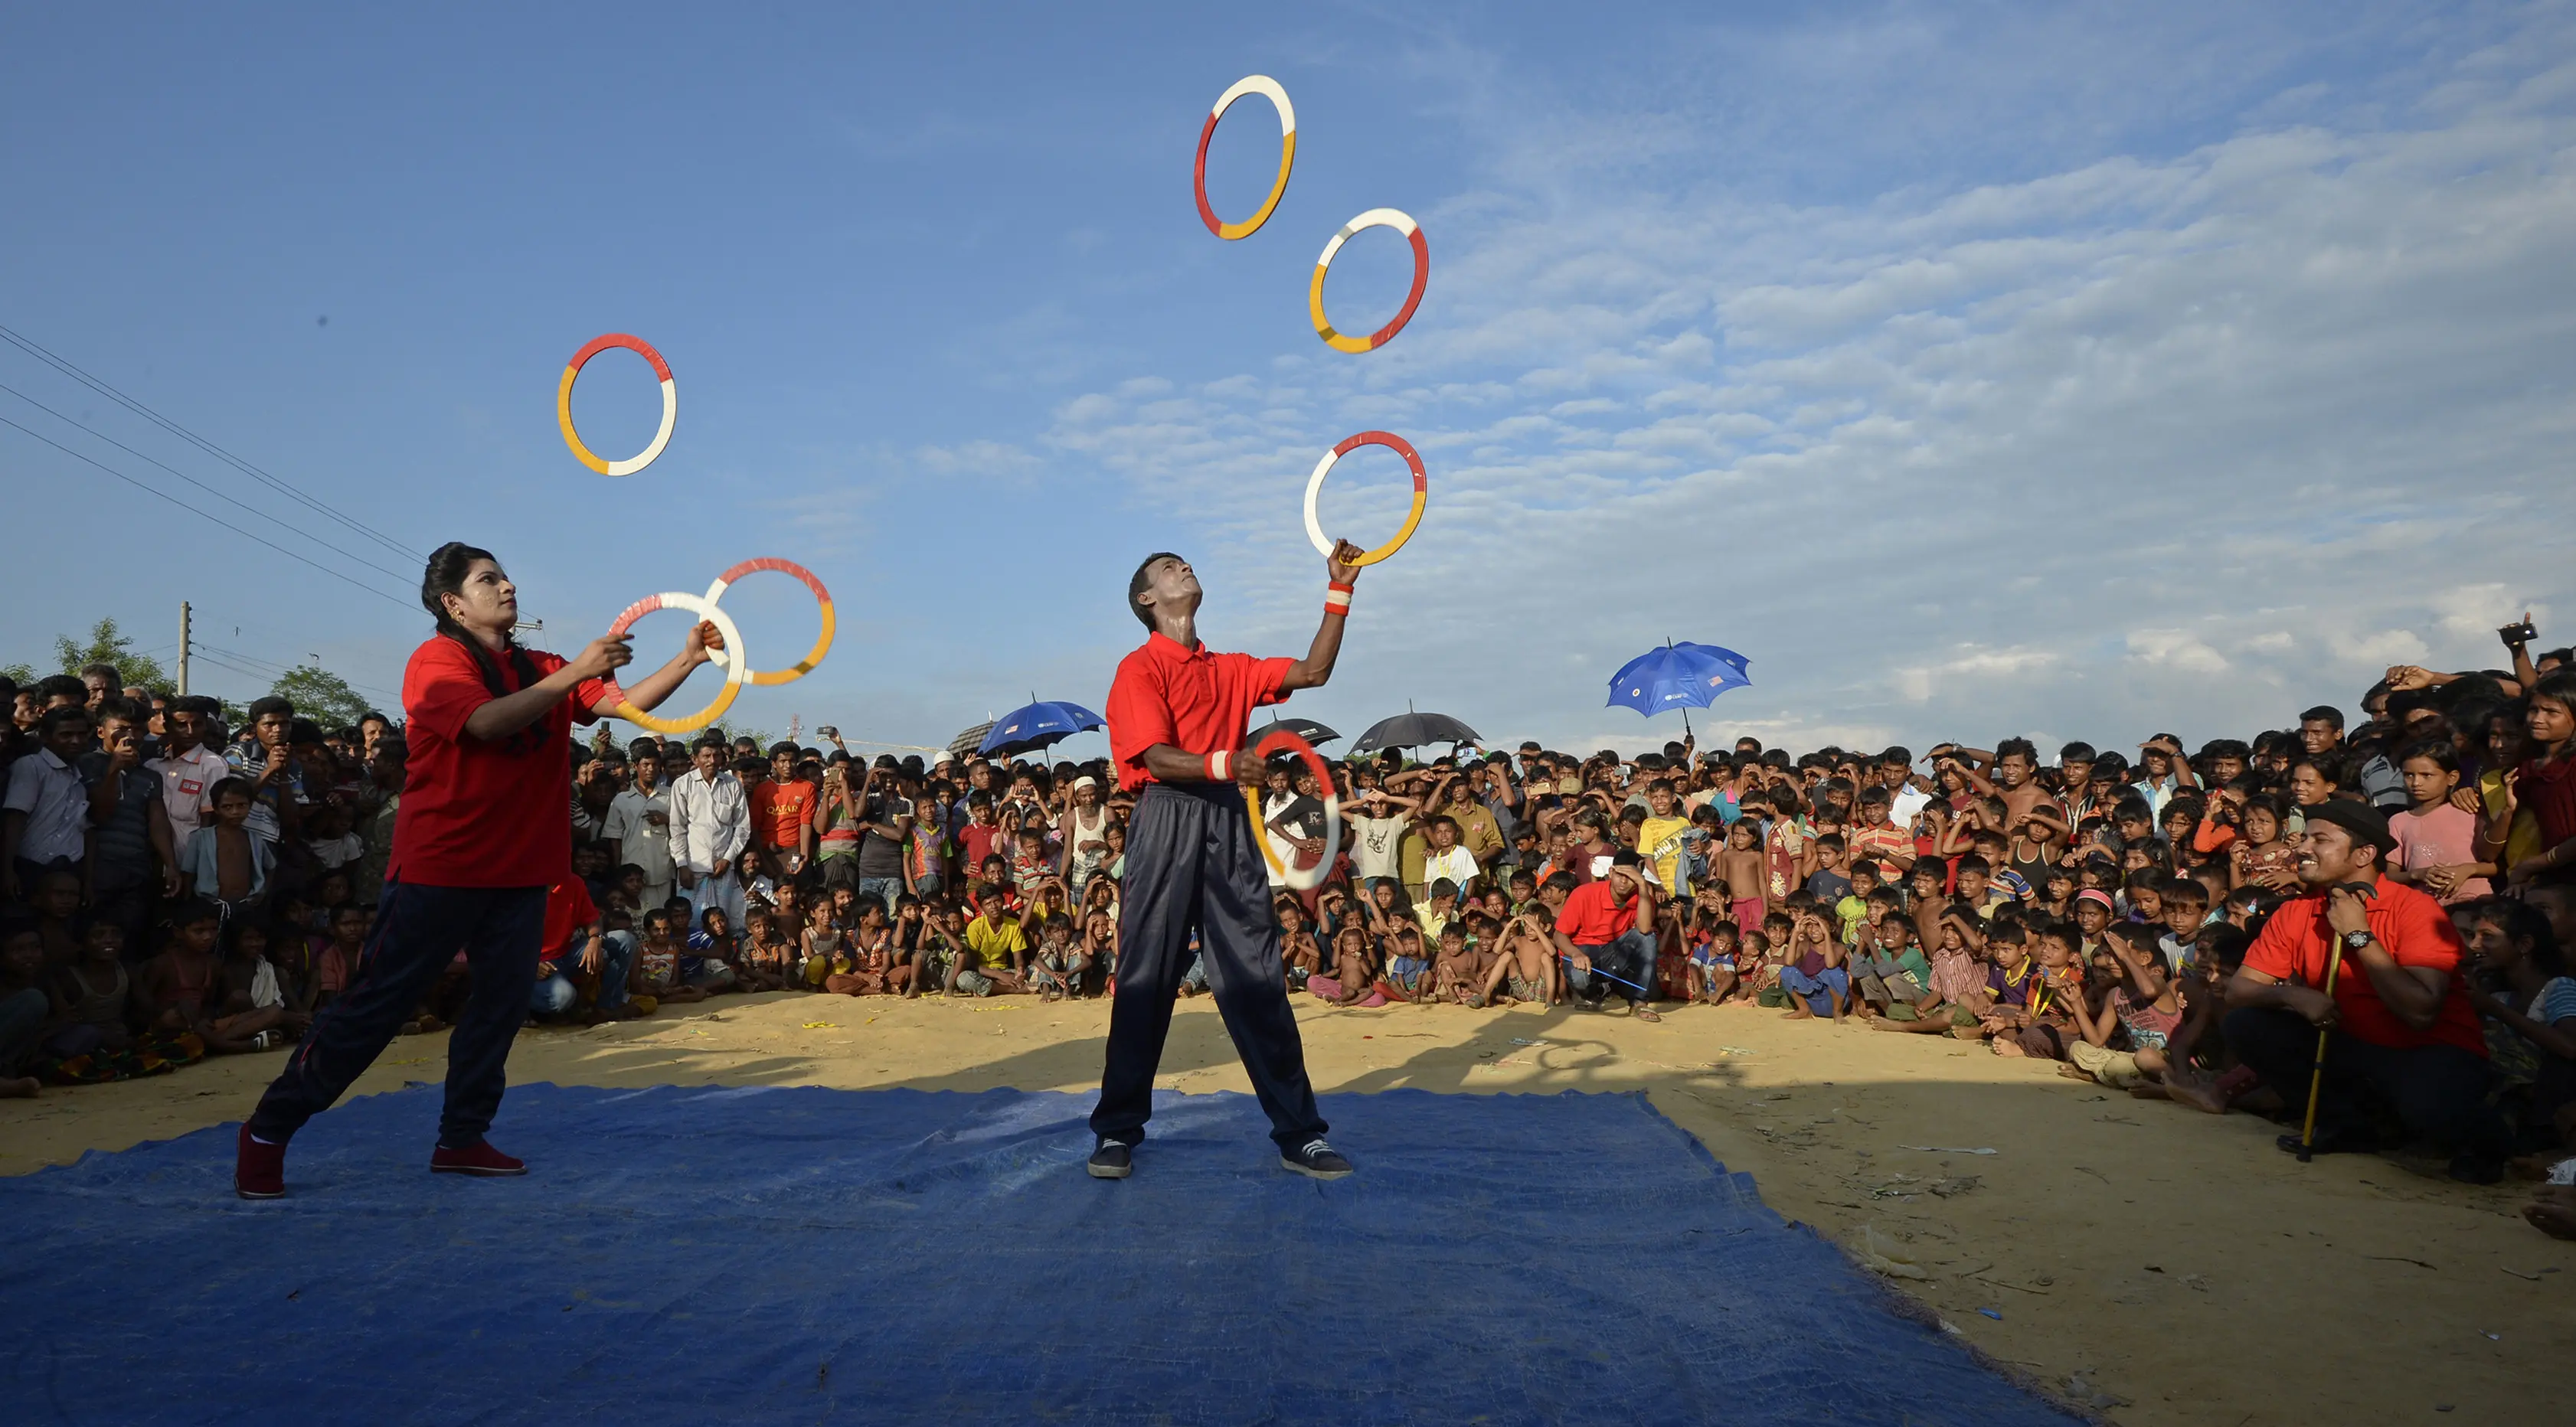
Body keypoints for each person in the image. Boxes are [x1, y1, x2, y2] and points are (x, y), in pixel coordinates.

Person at [234, 541, 722, 1200]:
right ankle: (268, 1129)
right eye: (489, 579)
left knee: (497, 1008)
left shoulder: (540, 664)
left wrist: (690, 657)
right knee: (378, 1005)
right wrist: (569, 673)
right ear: (453, 603)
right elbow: (485, 724)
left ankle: (462, 1137)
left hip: (523, 872)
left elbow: (623, 703)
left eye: (506, 574)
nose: (508, 585)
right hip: (443, 866)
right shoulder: (436, 662)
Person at [1086, 544, 1362, 1182]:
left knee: (1256, 975)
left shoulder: (1230, 667)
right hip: (1167, 813)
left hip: (1226, 817)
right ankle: (1117, 1130)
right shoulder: (1139, 668)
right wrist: (1226, 763)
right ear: (1146, 600)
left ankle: (1300, 1132)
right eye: (1167, 567)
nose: (1184, 568)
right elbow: (1155, 758)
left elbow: (1314, 672)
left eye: (1184, 562)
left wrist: (1339, 593)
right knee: (1145, 977)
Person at [2221, 799, 2510, 1182]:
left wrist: (2359, 935)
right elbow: (2238, 991)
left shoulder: (2415, 908)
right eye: (2305, 837)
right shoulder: (2295, 911)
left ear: (2364, 854)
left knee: (2432, 1107)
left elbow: (2421, 1012)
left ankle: (2494, 1140)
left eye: (2320, 840)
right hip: (2349, 1042)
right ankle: (2347, 1126)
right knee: (2247, 1024)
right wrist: (2291, 995)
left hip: (2426, 1049)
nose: (2303, 848)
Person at [1552, 850, 1662, 1020]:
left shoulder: (1641, 896)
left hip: (1613, 952)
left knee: (1647, 937)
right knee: (1580, 977)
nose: (1624, 881)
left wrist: (1642, 885)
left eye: (1631, 877)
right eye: (1620, 874)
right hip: (1582, 951)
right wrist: (1575, 953)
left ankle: (1639, 1002)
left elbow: (1645, 929)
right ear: (1611, 872)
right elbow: (1559, 935)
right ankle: (1592, 995)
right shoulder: (1584, 893)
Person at [672, 735, 749, 932]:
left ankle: (719, 964)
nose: (712, 761)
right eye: (706, 756)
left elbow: (742, 827)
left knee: (721, 925)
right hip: (692, 867)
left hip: (723, 869)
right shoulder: (683, 784)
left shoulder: (733, 785)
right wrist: (682, 864)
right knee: (689, 924)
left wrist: (728, 859)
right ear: (695, 759)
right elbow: (677, 828)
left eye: (716, 756)